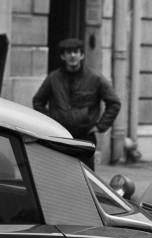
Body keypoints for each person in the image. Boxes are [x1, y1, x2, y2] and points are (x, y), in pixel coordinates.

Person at [32, 38, 121, 170]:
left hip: (84, 137)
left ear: (82, 55)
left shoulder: (95, 78)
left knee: (85, 175)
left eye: (76, 52)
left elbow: (114, 103)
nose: (72, 55)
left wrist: (100, 126)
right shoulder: (53, 78)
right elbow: (38, 101)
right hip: (59, 136)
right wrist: (50, 121)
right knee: (58, 173)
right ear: (63, 56)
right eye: (68, 52)